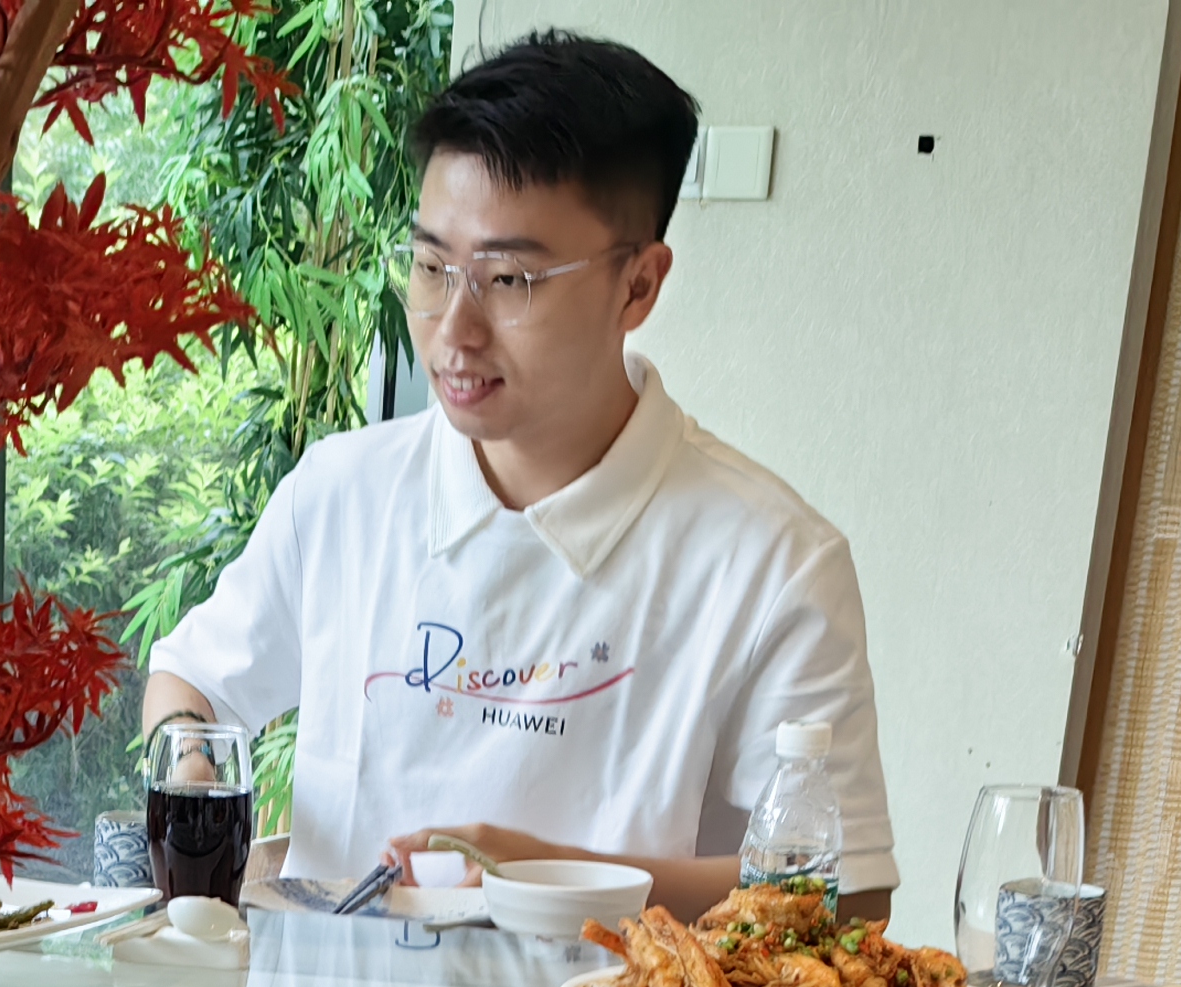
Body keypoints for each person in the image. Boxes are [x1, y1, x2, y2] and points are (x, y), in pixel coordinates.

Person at [139, 31, 891, 921]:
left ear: (639, 286)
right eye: (431, 267)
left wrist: (548, 875)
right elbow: (191, 681)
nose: (454, 329)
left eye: (508, 280)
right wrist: (193, 765)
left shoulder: (773, 563)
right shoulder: (342, 495)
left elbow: (846, 901)